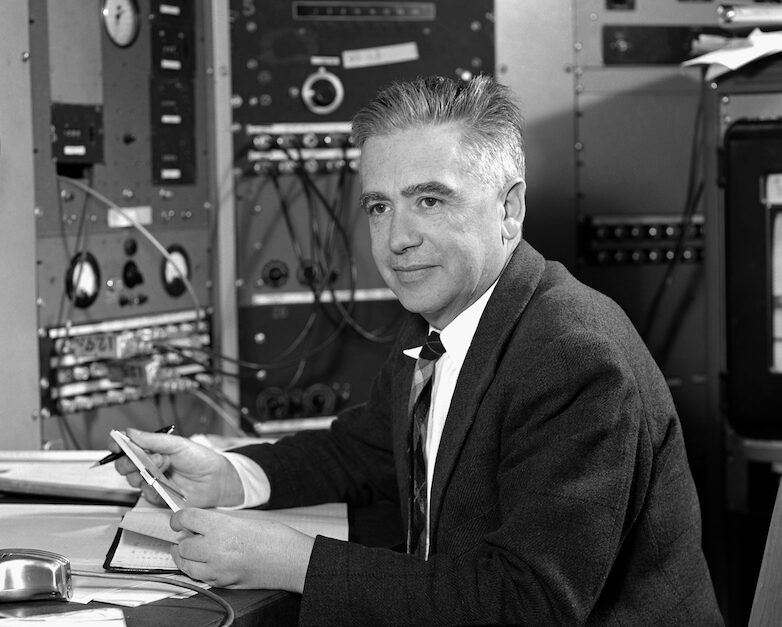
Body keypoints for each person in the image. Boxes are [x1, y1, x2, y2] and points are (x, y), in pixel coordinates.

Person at [113, 75, 723, 625]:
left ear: (508, 209)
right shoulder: (445, 310)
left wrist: (298, 564)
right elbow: (365, 447)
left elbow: (529, 603)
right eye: (381, 207)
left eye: (430, 200)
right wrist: (230, 476)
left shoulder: (574, 357)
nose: (398, 239)